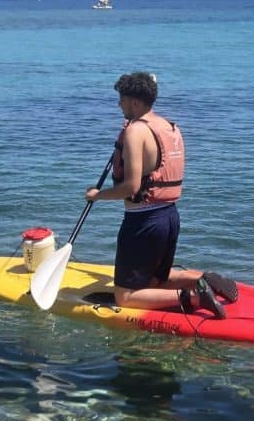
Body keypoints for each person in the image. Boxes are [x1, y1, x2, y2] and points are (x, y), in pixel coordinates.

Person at [85, 72, 237, 319]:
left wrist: (97, 195)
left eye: (121, 100)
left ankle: (195, 297)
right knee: (155, 281)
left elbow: (132, 187)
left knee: (125, 296)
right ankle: (202, 279)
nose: (118, 105)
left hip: (143, 223)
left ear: (134, 102)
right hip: (169, 217)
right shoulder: (169, 127)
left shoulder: (136, 131)